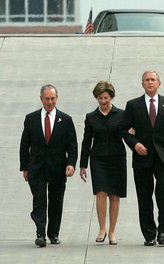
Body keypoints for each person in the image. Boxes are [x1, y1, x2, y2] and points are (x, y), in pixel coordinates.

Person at [122, 71, 164, 246]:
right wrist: (134, 144)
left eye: (153, 80)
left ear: (159, 83)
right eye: (147, 80)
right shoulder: (133, 105)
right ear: (142, 84)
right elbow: (124, 130)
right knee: (144, 196)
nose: (150, 83)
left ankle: (163, 230)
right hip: (142, 157)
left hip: (163, 157)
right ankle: (149, 234)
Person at [20, 84, 78, 247]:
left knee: (56, 200)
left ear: (56, 99)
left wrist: (71, 164)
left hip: (58, 168)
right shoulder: (31, 118)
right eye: (47, 99)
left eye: (53, 99)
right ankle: (40, 233)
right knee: (39, 200)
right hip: (36, 168)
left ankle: (53, 233)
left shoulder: (65, 119)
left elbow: (72, 144)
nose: (50, 102)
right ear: (41, 99)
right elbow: (25, 145)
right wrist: (25, 167)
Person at [80, 81, 127, 246]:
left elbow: (129, 134)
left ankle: (112, 231)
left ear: (111, 97)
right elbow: (86, 142)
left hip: (117, 158)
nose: (103, 101)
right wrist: (82, 165)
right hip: (98, 159)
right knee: (100, 194)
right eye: (100, 98)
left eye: (106, 98)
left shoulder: (122, 114)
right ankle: (102, 229)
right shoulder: (91, 117)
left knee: (114, 195)